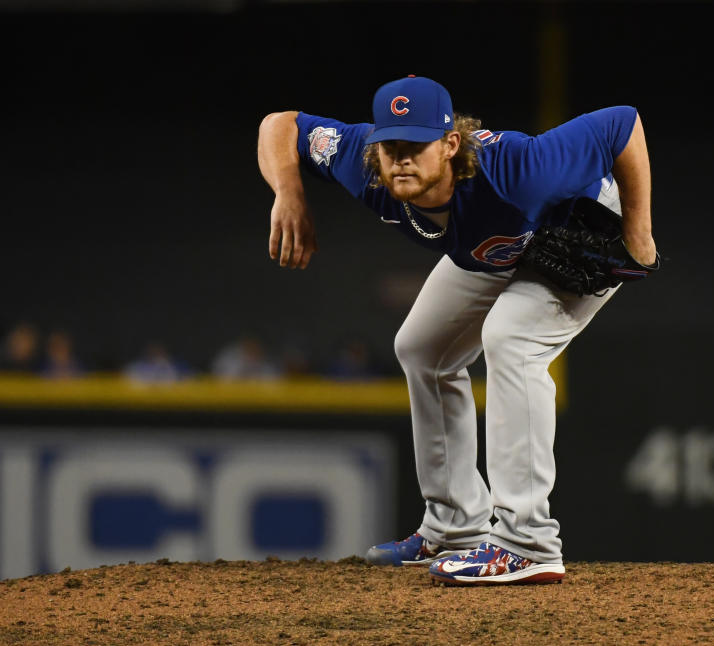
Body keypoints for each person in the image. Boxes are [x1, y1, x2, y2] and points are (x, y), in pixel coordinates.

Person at [257, 76, 656, 586]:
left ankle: (528, 542)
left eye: (416, 145)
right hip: (494, 246)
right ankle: (455, 525)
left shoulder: (521, 170)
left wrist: (638, 233)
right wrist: (288, 193)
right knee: (423, 348)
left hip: (579, 226)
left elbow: (621, 123)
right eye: (390, 145)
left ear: (450, 145)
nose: (400, 158)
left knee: (511, 339)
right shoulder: (361, 162)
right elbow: (281, 124)